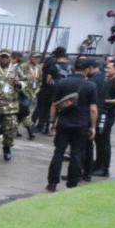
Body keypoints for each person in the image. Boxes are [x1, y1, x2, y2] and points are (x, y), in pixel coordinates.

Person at [46, 56, 98, 191]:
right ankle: (72, 182)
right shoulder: (91, 86)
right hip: (81, 124)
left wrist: (52, 121)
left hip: (63, 123)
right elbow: (93, 109)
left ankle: (52, 182)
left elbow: (54, 104)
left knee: (58, 152)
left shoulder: (61, 83)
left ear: (74, 68)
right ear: (87, 70)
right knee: (76, 153)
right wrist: (93, 126)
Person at [92, 57, 115, 176]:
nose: (106, 69)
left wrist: (107, 101)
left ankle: (104, 167)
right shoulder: (106, 81)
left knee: (104, 140)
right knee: (98, 139)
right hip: (101, 113)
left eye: (109, 68)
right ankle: (98, 163)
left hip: (108, 114)